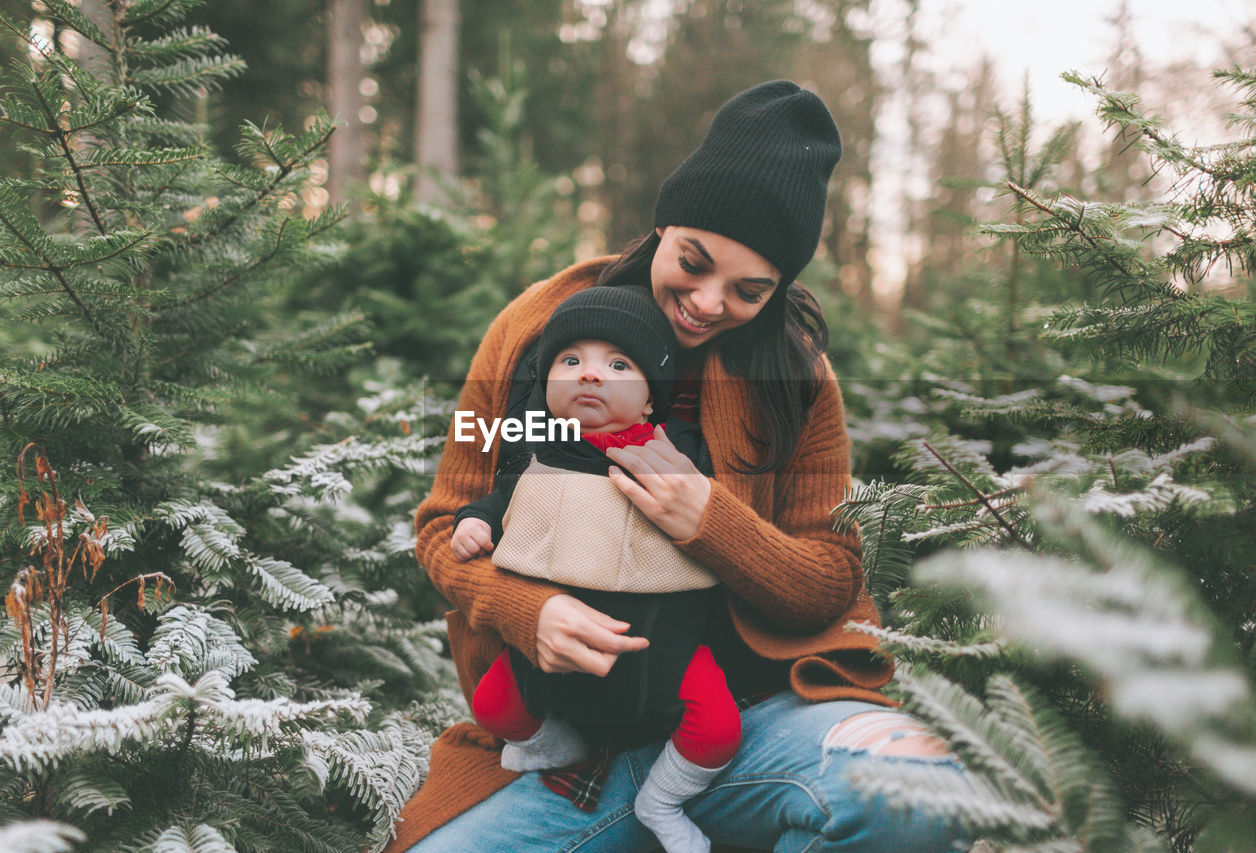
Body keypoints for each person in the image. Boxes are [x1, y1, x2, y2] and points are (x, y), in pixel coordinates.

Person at [393, 80, 967, 852]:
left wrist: (711, 522)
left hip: (750, 725)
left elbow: (833, 580)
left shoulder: (797, 381)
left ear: (780, 288)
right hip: (568, 740)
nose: (705, 301)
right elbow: (442, 526)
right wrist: (525, 612)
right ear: (663, 223)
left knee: (917, 795)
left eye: (748, 289)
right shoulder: (535, 329)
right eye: (692, 261)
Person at [453, 285, 740, 852]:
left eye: (617, 364)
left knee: (717, 728)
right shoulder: (537, 446)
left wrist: (694, 485)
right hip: (553, 642)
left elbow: (721, 504)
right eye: (570, 360)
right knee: (493, 705)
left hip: (660, 640)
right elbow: (504, 496)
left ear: (652, 400)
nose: (590, 374)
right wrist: (476, 521)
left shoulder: (671, 445)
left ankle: (661, 800)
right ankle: (556, 745)